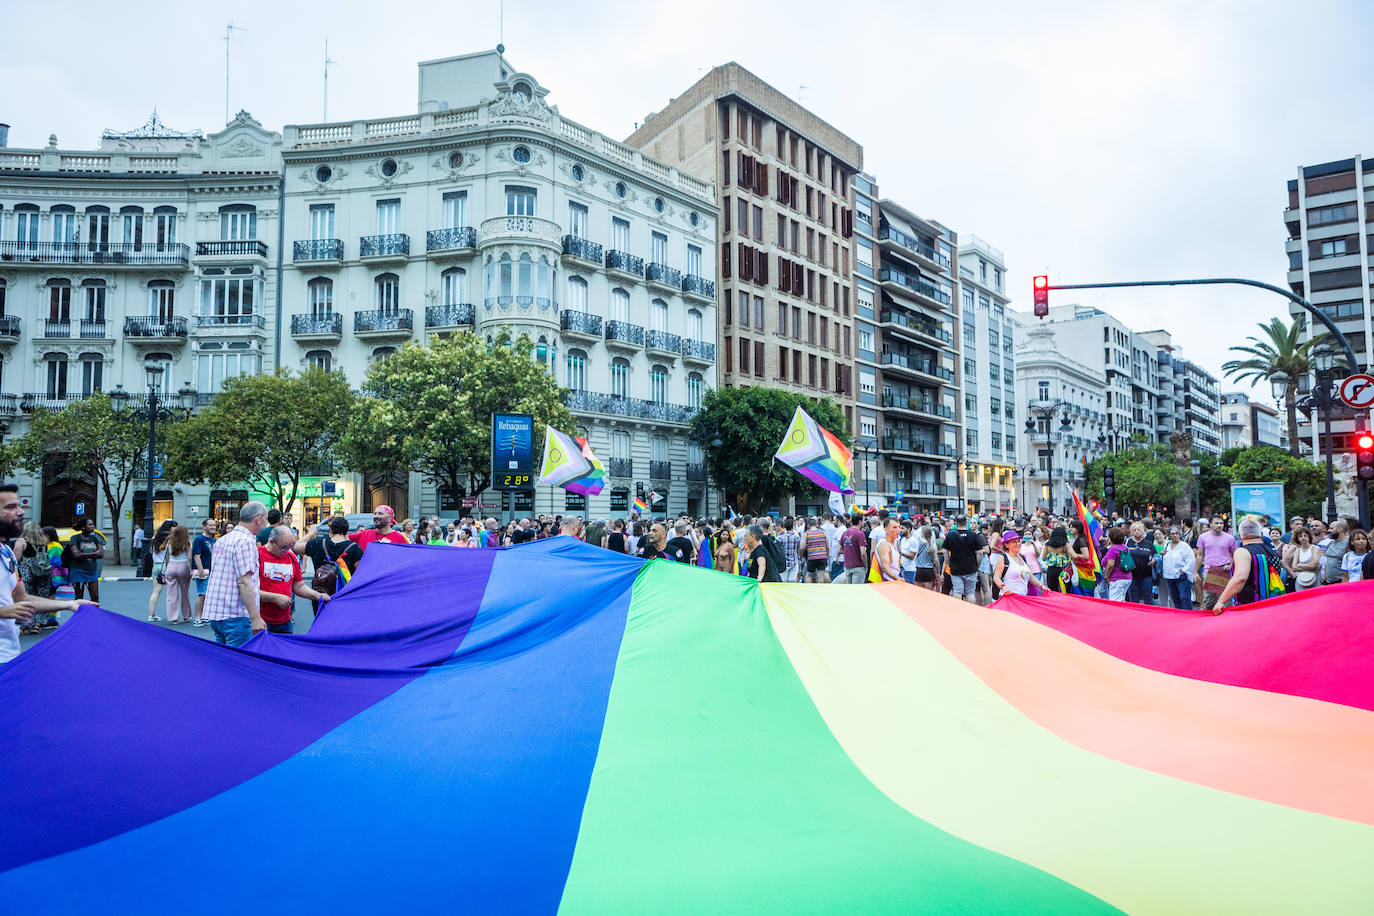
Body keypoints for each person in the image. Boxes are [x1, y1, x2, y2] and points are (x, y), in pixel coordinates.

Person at [0, 484, 95, 663]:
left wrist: (70, 604)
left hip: (8, 658)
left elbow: (22, 599)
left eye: (19, 505)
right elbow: (7, 609)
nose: (20, 511)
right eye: (10, 507)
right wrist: (3, 612)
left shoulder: (6, 553)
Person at [202, 501, 271, 647]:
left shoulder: (223, 540)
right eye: (264, 520)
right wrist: (255, 618)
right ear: (257, 520)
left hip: (217, 613)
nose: (264, 524)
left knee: (225, 663)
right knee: (240, 663)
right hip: (236, 614)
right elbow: (244, 581)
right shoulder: (245, 542)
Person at [258, 525, 330, 634]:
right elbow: (248, 590)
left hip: (284, 622)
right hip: (260, 621)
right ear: (271, 541)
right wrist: (274, 598)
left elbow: (298, 586)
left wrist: (317, 596)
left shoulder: (291, 556)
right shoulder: (257, 555)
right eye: (283, 547)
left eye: (290, 546)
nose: (287, 550)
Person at [1214, 518, 1285, 611]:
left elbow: (1240, 578)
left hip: (1250, 607)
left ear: (1240, 536)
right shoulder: (1272, 552)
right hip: (1273, 605)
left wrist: (1221, 601)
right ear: (1262, 535)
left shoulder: (1242, 551)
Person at [15, 522, 54, 634]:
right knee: (41, 598)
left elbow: (15, 558)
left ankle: (26, 625)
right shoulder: (43, 541)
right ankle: (37, 624)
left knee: (27, 599)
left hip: (28, 574)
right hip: (43, 573)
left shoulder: (22, 541)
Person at [1196, 517, 1239, 612]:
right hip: (1209, 570)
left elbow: (1235, 553)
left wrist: (1231, 564)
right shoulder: (1203, 537)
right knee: (1209, 598)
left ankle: (1227, 618)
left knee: (1226, 597)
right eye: (1216, 523)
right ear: (1210, 525)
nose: (1219, 525)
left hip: (1224, 569)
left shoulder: (1229, 538)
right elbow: (1199, 555)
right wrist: (1195, 571)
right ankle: (1209, 618)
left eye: (1221, 523)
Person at [942, 516, 985, 602]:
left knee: (957, 591)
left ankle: (958, 611)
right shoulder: (974, 536)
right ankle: (970, 611)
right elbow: (980, 552)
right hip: (971, 568)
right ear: (966, 523)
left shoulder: (950, 535)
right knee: (970, 592)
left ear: (956, 523)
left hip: (955, 567)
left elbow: (944, 551)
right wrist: (977, 564)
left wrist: (947, 561)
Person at [992, 531, 1043, 597]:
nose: (1018, 544)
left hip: (1022, 598)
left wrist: (1041, 586)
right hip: (1008, 597)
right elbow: (996, 577)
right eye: (1014, 542)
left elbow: (1030, 576)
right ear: (1006, 545)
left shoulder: (1022, 558)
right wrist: (1004, 588)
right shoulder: (1003, 558)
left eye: (1018, 541)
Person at [66, 517, 104, 603]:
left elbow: (101, 554)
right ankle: (80, 615)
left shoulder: (94, 538)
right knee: (79, 597)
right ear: (83, 527)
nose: (93, 526)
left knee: (95, 596)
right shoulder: (75, 538)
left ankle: (95, 615)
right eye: (90, 525)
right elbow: (76, 554)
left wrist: (83, 555)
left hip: (92, 571)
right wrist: (94, 554)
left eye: (93, 524)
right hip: (78, 571)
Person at [161, 525, 194, 624]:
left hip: (171, 566)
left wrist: (168, 568)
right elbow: (189, 558)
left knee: (171, 594)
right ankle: (186, 615)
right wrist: (191, 570)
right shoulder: (187, 543)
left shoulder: (169, 543)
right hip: (183, 566)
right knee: (185, 592)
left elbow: (167, 557)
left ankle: (173, 617)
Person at [145, 522, 174, 622]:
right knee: (171, 593)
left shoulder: (155, 539)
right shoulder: (169, 540)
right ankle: (172, 616)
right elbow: (169, 556)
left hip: (156, 566)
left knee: (156, 591)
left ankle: (151, 614)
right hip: (166, 566)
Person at [190, 518, 217, 627]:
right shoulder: (199, 539)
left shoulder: (214, 540)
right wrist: (200, 570)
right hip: (203, 571)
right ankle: (197, 617)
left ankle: (204, 616)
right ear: (204, 527)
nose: (213, 527)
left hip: (212, 571)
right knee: (202, 594)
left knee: (208, 595)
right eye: (210, 525)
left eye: (214, 525)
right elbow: (196, 556)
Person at [1161, 526, 1195, 610]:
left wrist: (1184, 571)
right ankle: (1179, 615)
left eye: (1177, 533)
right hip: (1170, 576)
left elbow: (1191, 560)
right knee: (1175, 597)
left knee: (1184, 597)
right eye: (1172, 534)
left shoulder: (1184, 546)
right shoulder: (1167, 545)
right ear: (1169, 535)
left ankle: (1187, 615)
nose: (1175, 535)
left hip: (1182, 576)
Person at [833, 513, 869, 584]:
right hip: (858, 567)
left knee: (849, 590)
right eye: (863, 520)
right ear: (859, 521)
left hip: (847, 566)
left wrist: (838, 557)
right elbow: (863, 553)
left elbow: (839, 549)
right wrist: (866, 565)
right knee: (857, 591)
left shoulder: (845, 533)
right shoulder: (860, 534)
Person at [1101, 527, 1132, 602]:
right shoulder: (1125, 547)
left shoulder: (1113, 549)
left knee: (1115, 601)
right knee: (1121, 599)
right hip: (1127, 578)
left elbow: (1110, 564)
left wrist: (1107, 577)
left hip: (1117, 579)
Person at [1040, 526, 1073, 594]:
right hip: (1063, 570)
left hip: (1051, 570)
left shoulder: (1047, 545)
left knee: (1052, 590)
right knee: (1064, 589)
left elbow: (1043, 558)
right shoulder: (1065, 545)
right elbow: (1074, 555)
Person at [801, 517, 830, 583]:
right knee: (820, 576)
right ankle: (820, 591)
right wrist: (827, 556)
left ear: (808, 525)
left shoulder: (806, 534)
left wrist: (802, 555)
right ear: (816, 524)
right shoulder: (823, 532)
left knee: (809, 575)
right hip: (822, 557)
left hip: (811, 557)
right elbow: (827, 546)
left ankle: (808, 590)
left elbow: (802, 546)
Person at [1321, 520, 1349, 586]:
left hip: (1341, 582)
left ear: (1340, 529)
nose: (1328, 531)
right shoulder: (1331, 543)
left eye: (1331, 528)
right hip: (1329, 582)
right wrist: (1325, 577)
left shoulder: (1348, 543)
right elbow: (1327, 561)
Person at [873, 518, 902, 582]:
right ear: (886, 529)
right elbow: (885, 567)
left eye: (899, 527)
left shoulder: (892, 543)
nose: (898, 530)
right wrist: (897, 578)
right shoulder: (884, 544)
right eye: (894, 527)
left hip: (893, 580)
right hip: (888, 581)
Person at [777, 517, 802, 582]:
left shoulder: (780, 538)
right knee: (792, 582)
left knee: (783, 581)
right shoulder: (796, 537)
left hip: (783, 563)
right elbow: (799, 549)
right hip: (793, 561)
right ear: (792, 526)